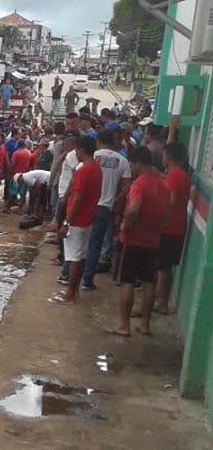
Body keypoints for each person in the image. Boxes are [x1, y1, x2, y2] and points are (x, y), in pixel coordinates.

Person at [108, 146, 170, 336]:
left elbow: (134, 208)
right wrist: (158, 229)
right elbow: (168, 213)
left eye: (133, 164)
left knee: (127, 281)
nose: (132, 168)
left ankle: (124, 326)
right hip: (152, 241)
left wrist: (125, 226)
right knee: (148, 283)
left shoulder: (139, 185)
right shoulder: (164, 185)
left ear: (138, 162)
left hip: (133, 240)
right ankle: (145, 325)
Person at [51, 136, 102, 305]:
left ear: (81, 150)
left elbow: (78, 197)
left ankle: (70, 294)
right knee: (81, 256)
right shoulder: (96, 169)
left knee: (73, 258)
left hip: (77, 220)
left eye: (77, 150)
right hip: (87, 218)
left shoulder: (84, 170)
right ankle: (74, 291)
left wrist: (67, 223)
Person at [82, 129, 132, 291]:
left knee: (81, 241)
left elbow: (79, 179)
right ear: (114, 142)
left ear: (97, 141)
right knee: (96, 243)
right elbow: (126, 187)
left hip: (86, 205)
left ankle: (71, 274)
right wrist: (116, 201)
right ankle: (87, 279)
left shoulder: (91, 157)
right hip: (105, 207)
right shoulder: (122, 161)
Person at [153, 142, 191, 315]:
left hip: (170, 228)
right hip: (176, 227)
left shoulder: (175, 176)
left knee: (162, 267)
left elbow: (172, 200)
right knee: (164, 267)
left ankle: (161, 303)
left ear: (168, 157)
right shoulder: (180, 174)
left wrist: (161, 221)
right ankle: (160, 300)